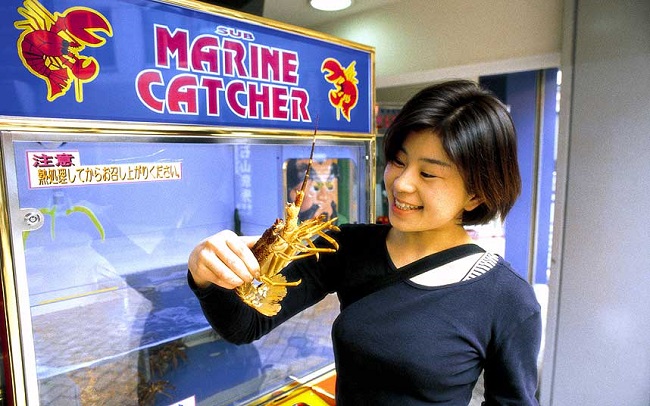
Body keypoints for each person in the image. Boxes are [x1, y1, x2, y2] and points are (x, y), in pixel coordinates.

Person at [188, 80, 542, 405]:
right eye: (398, 161)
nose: (401, 183)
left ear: (476, 193)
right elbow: (244, 325)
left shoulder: (508, 300)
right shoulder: (346, 245)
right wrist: (206, 274)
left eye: (428, 173)